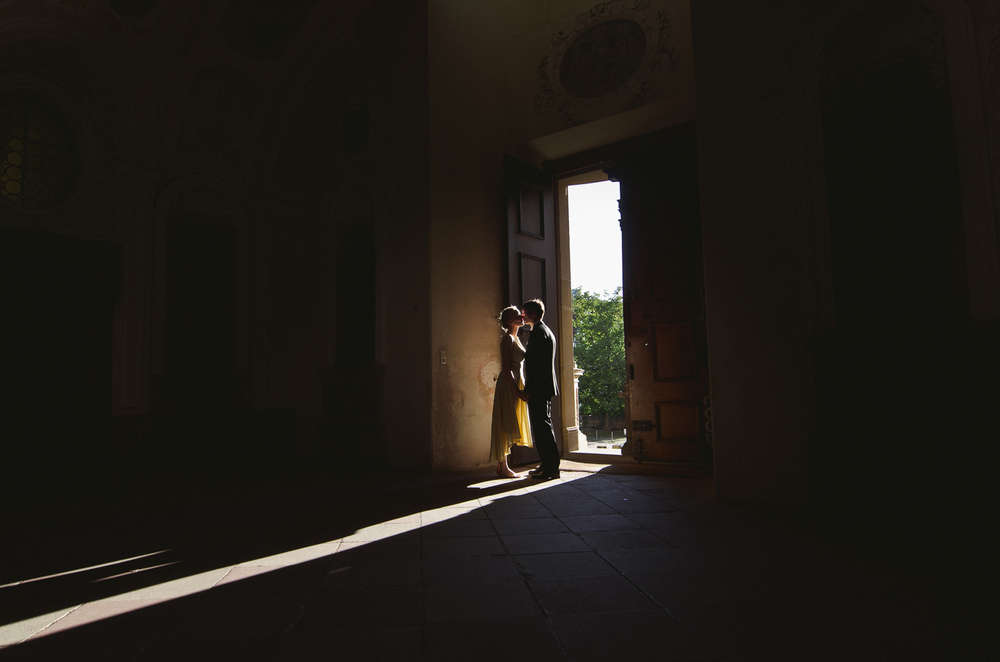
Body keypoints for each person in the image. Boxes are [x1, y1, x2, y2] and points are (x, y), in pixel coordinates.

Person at [518, 299, 560, 479]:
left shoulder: (538, 333)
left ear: (533, 314)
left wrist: (529, 389)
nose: (522, 315)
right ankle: (547, 465)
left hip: (539, 388)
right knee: (543, 427)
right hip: (544, 386)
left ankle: (551, 469)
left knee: (542, 428)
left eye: (524, 312)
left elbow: (536, 365)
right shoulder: (545, 331)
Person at [489, 306, 533, 478]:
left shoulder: (515, 337)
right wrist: (517, 391)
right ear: (509, 321)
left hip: (514, 381)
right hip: (508, 384)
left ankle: (502, 466)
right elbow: (506, 368)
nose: (522, 317)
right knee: (505, 423)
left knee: (508, 421)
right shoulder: (507, 339)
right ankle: (504, 466)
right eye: (517, 315)